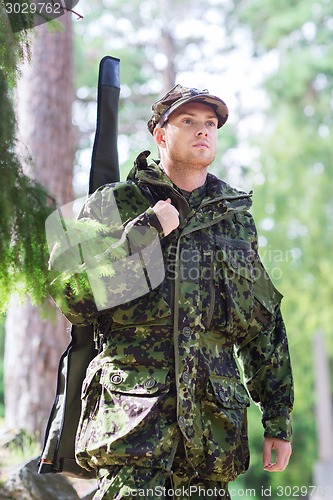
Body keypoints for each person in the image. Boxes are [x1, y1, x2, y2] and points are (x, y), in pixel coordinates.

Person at [48, 84, 294, 499]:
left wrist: (278, 418)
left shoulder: (234, 221)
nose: (203, 131)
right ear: (160, 135)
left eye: (210, 124)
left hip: (211, 438)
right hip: (131, 430)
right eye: (189, 121)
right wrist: (146, 233)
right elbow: (72, 296)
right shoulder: (113, 205)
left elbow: (262, 324)